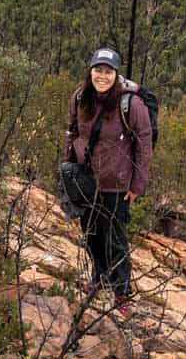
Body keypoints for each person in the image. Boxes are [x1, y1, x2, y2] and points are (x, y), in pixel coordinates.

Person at [65, 48, 153, 316]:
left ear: (116, 74)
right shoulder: (80, 97)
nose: (102, 76)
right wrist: (70, 167)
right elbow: (72, 131)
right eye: (98, 70)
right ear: (90, 71)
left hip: (117, 184)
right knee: (91, 233)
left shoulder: (131, 104)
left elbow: (144, 143)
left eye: (108, 71)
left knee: (115, 238)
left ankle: (122, 292)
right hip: (86, 180)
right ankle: (98, 279)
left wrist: (137, 185)